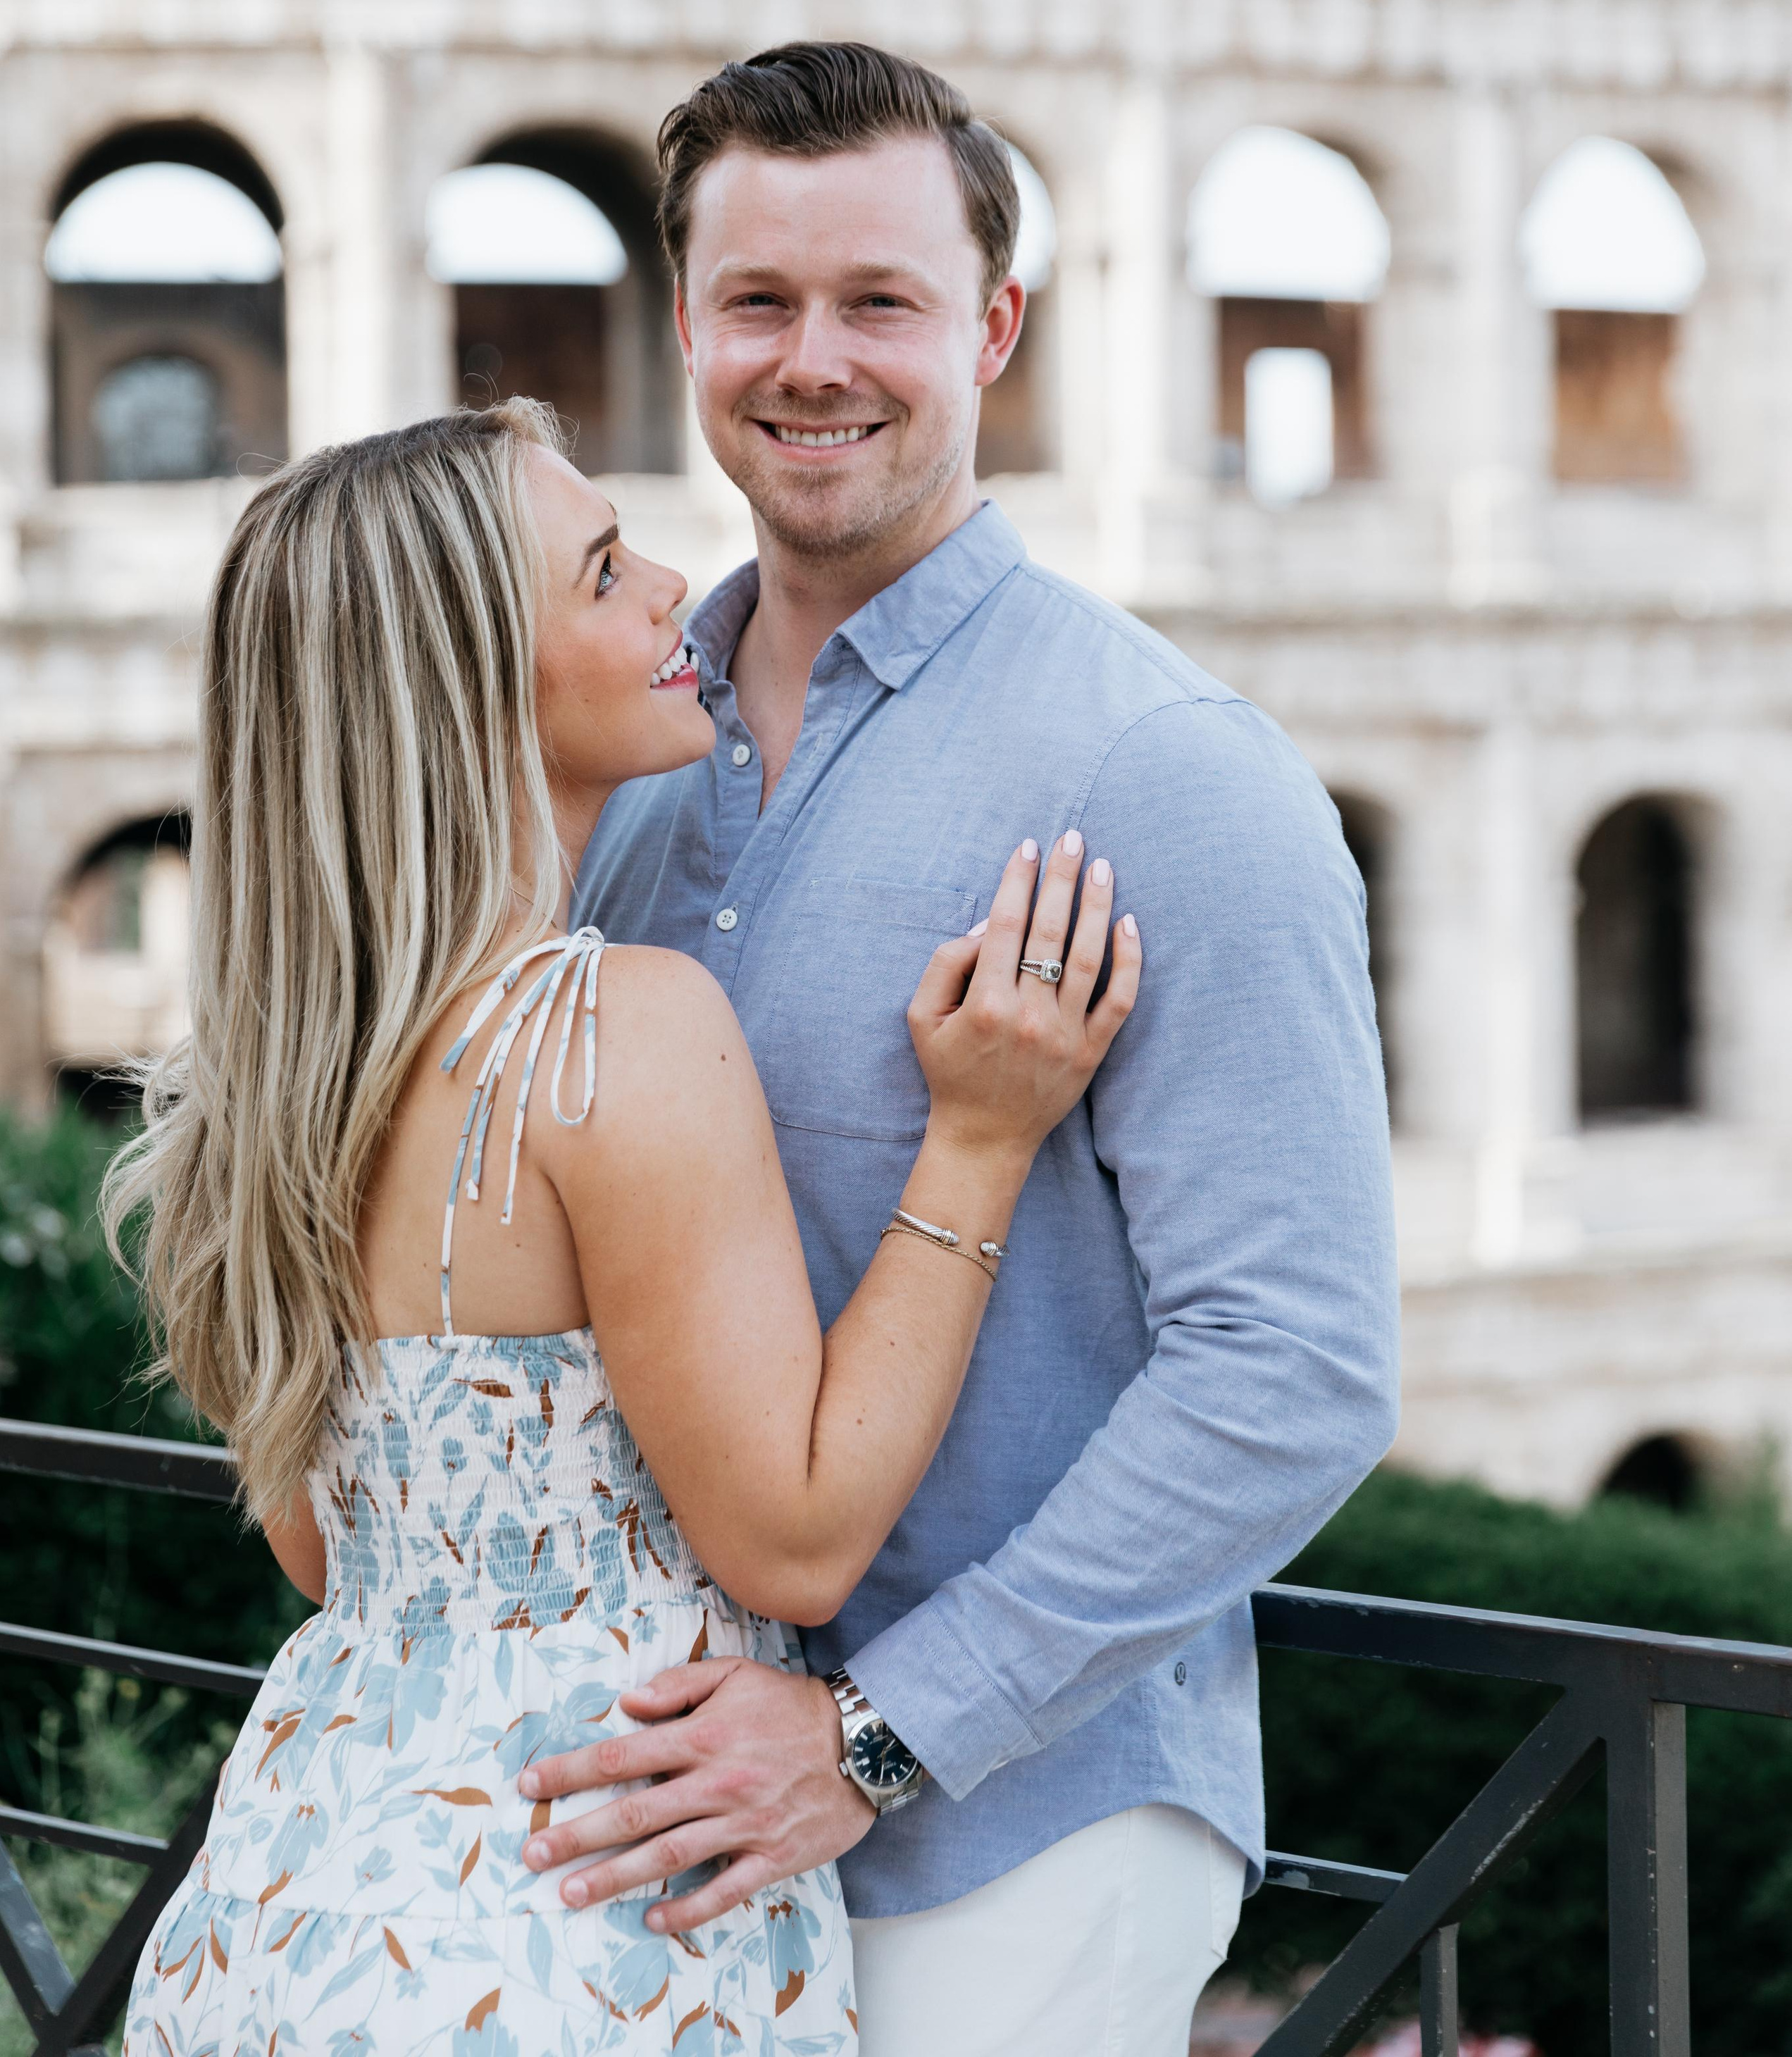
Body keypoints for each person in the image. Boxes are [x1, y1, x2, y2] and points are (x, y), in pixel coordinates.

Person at [525, 42, 1402, 2057]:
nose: (812, 358)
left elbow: (1298, 1370)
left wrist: (882, 1736)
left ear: (993, 325)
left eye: (881, 304)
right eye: (759, 301)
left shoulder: (1164, 778)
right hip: (653, 1823)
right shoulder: (627, 772)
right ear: (685, 325)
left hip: (1011, 1840)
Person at [108, 399, 1140, 2055]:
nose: (673, 583)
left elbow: (330, 1552)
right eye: (600, 572)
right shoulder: (610, 1035)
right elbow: (791, 1541)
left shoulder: (274, 1087)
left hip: (296, 1897)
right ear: (468, 687)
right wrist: (979, 1138)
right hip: (580, 1919)